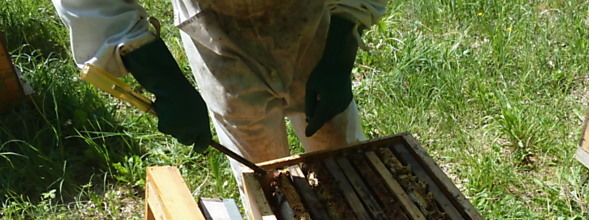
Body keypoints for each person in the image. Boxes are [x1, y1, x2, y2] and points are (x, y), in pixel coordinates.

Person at [51, 0, 386, 174]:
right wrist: (162, 80)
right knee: (260, 170)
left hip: (310, 19)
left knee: (340, 152)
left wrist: (342, 42)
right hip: (216, 33)